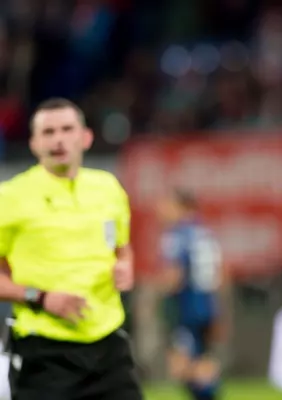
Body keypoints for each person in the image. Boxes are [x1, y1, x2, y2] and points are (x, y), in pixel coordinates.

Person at [0, 98, 142, 399]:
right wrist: (41, 297)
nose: (58, 139)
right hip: (45, 352)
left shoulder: (108, 187)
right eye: (48, 132)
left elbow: (122, 249)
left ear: (85, 137)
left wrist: (126, 266)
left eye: (67, 129)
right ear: (34, 143)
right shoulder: (10, 197)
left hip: (109, 346)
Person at [156, 189, 225, 400]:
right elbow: (219, 274)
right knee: (201, 360)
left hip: (187, 308)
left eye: (168, 205)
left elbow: (174, 276)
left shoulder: (177, 235)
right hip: (207, 306)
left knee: (180, 366)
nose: (162, 210)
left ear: (182, 207)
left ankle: (207, 393)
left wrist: (160, 298)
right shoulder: (204, 234)